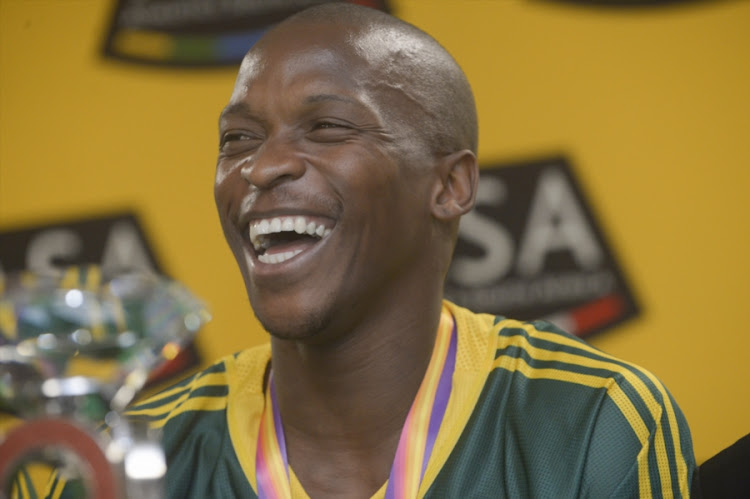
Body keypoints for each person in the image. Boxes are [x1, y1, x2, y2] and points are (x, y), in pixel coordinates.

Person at [45, 3, 696, 498]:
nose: (262, 165)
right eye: (238, 138)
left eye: (326, 126)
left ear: (450, 185)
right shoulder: (127, 459)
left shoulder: (590, 421)